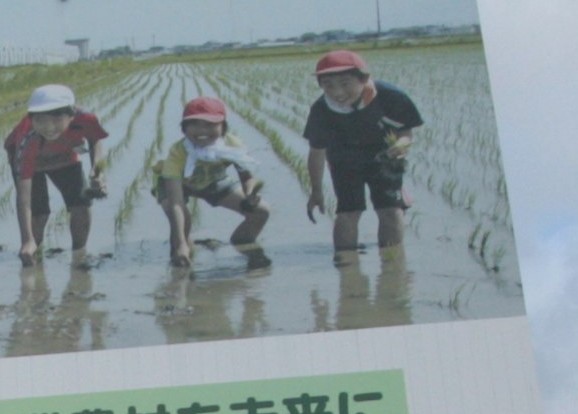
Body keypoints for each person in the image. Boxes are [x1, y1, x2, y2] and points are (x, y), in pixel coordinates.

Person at [300, 50, 425, 255]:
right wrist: (316, 191)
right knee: (348, 211)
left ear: (364, 79)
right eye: (328, 85)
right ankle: (347, 265)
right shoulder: (321, 110)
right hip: (343, 158)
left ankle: (392, 264)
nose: (337, 92)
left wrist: (401, 145)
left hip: (383, 156)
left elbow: (405, 131)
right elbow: (317, 152)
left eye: (345, 83)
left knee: (390, 209)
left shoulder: (390, 97)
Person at [143, 95, 274, 270]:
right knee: (183, 227)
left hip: (212, 180)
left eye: (210, 125)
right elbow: (176, 203)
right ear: (184, 128)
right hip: (175, 184)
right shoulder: (179, 153)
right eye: (194, 124)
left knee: (261, 210)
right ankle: (180, 270)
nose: (201, 131)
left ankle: (243, 242)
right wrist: (181, 243)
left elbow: (247, 177)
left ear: (223, 127)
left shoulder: (231, 145)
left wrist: (250, 194)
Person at [0, 83, 109, 261]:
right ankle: (33, 253)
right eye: (40, 120)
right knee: (39, 213)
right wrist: (27, 239)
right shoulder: (26, 139)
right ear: (31, 118)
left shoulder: (87, 119)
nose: (49, 127)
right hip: (31, 162)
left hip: (64, 157)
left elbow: (94, 138)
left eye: (57, 119)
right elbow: (24, 197)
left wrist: (98, 170)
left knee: (81, 204)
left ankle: (79, 255)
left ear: (71, 115)